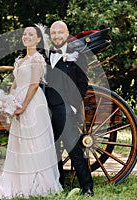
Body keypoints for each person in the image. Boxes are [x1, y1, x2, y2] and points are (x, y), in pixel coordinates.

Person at [0, 24, 63, 199]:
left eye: (31, 34)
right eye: (25, 34)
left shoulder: (37, 59)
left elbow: (34, 85)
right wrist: (7, 102)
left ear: (38, 39)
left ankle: (37, 183)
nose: (26, 36)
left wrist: (23, 105)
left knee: (33, 140)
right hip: (19, 100)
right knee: (19, 142)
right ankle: (18, 180)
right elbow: (15, 83)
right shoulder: (20, 60)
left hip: (32, 103)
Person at [43, 20, 94, 196]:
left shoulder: (78, 55)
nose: (56, 36)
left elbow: (82, 84)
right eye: (54, 33)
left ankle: (87, 186)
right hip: (46, 109)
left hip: (65, 108)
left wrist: (73, 106)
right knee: (52, 149)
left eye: (60, 32)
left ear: (67, 34)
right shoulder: (45, 54)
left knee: (74, 149)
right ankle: (58, 184)